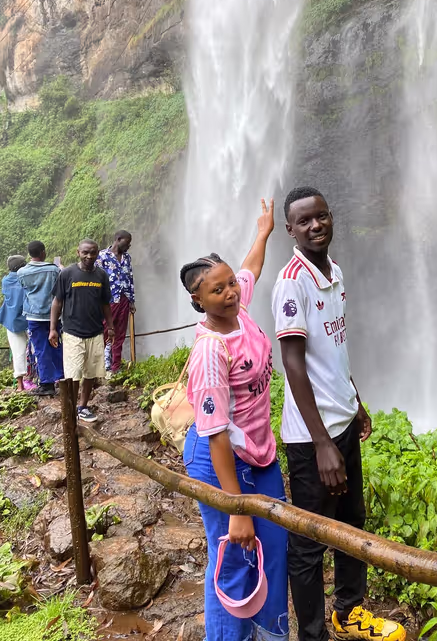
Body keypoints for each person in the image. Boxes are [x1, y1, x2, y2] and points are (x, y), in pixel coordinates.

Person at [272, 187, 406, 641]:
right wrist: (323, 443)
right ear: (289, 229)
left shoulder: (336, 272)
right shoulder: (292, 280)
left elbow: (333, 351)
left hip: (342, 422)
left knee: (353, 521)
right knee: (309, 542)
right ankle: (311, 635)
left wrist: (355, 400)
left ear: (332, 218)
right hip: (313, 439)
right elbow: (292, 362)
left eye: (322, 216)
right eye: (304, 221)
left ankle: (349, 612)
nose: (316, 226)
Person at [180, 199, 288, 641]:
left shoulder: (238, 308)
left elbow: (250, 269)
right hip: (221, 459)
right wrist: (235, 508)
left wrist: (263, 233)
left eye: (230, 285)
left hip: (259, 454)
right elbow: (216, 434)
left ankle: (269, 633)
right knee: (234, 558)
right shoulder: (210, 353)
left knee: (275, 547)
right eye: (218, 290)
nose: (230, 292)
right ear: (198, 300)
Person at [49, 239, 115, 423]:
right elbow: (57, 302)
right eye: (85, 252)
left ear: (97, 254)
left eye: (93, 252)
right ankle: (69, 408)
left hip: (95, 331)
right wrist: (53, 328)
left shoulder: (101, 275)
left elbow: (105, 304)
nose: (89, 256)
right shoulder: (67, 274)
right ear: (78, 252)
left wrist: (110, 326)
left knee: (90, 373)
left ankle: (83, 407)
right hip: (72, 332)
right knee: (73, 373)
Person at [17, 241, 64, 397]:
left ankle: (47, 383)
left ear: (30, 254)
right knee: (56, 345)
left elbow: (25, 289)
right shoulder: (53, 270)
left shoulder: (22, 272)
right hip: (53, 315)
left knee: (41, 349)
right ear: (43, 252)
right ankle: (62, 378)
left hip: (34, 315)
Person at [96, 230, 135, 376]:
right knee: (106, 331)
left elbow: (130, 278)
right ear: (118, 239)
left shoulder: (127, 258)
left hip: (124, 299)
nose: (129, 245)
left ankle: (115, 366)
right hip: (108, 300)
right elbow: (97, 279)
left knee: (120, 332)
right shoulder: (102, 256)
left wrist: (132, 300)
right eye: (127, 241)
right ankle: (103, 365)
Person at [0, 255, 34, 391]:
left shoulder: (6, 280)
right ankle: (39, 380)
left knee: (17, 352)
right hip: (30, 319)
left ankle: (20, 386)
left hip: (11, 320)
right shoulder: (26, 278)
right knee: (36, 350)